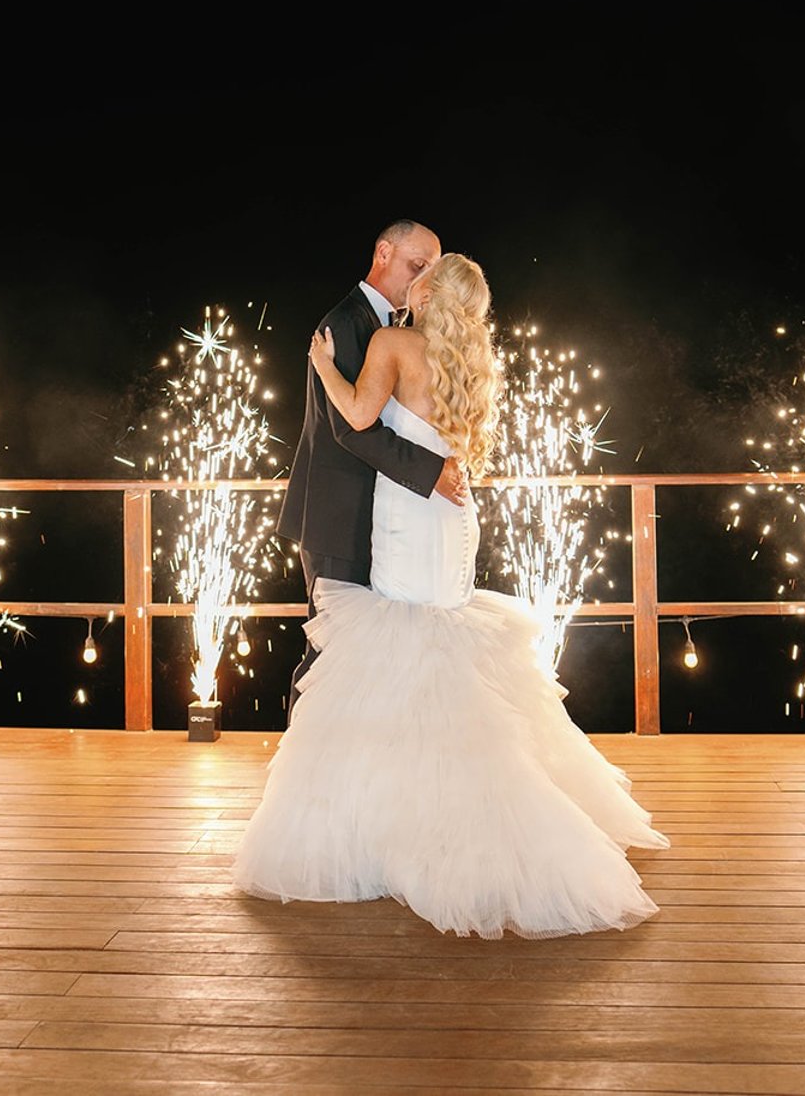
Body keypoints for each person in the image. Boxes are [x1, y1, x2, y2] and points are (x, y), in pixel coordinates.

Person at [233, 252, 668, 939]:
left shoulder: (391, 342)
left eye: (424, 272)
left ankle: (414, 828)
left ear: (429, 290)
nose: (414, 278)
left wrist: (321, 367)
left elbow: (354, 414)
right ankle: (450, 814)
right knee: (444, 647)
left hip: (408, 518)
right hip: (453, 519)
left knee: (407, 653)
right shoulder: (474, 358)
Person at [275, 219, 469, 724]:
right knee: (330, 649)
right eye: (416, 265)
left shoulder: (398, 332)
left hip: (387, 520)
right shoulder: (347, 322)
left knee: (370, 653)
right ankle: (302, 763)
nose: (422, 280)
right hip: (337, 517)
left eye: (431, 270)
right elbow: (351, 428)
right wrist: (432, 472)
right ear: (383, 253)